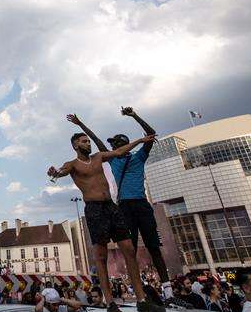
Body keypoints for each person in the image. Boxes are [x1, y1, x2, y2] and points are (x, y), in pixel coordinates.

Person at [47, 130, 164, 312]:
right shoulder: (73, 165)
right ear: (76, 145)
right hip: (94, 210)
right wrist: (54, 173)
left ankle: (142, 301)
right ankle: (110, 303)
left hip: (110, 206)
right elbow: (60, 172)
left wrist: (141, 140)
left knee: (128, 248)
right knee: (101, 256)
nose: (88, 144)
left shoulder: (98, 157)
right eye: (84, 141)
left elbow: (119, 152)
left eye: (88, 141)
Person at [68, 109, 173, 300]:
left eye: (116, 143)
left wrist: (134, 116)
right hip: (124, 206)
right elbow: (95, 139)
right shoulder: (113, 158)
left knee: (153, 246)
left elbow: (150, 134)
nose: (112, 145)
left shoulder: (138, 157)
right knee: (129, 248)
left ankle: (168, 291)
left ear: (123, 144)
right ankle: (141, 293)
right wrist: (80, 124)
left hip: (141, 204)